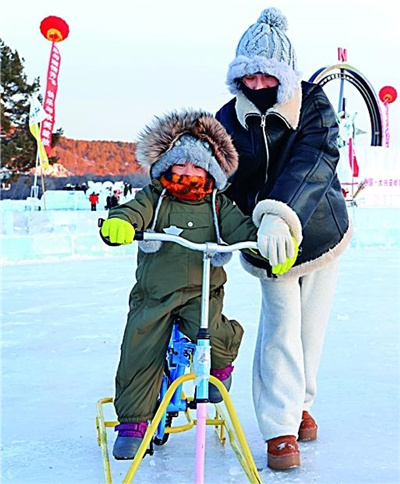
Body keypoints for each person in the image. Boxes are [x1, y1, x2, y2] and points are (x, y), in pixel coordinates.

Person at [216, 7, 352, 470]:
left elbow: (314, 160)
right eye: (247, 75)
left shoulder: (313, 103)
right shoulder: (227, 118)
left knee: (310, 326)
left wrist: (281, 214)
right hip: (264, 239)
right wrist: (225, 223)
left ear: (283, 72)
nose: (256, 84)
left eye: (265, 74)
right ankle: (279, 427)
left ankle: (301, 403)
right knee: (280, 327)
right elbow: (223, 177)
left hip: (317, 229)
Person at [99, 109, 275, 461]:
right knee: (140, 346)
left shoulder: (217, 204)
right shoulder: (155, 197)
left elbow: (241, 230)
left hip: (201, 292)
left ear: (211, 169)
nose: (188, 173)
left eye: (197, 167)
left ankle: (219, 367)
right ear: (166, 165)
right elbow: (132, 212)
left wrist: (266, 244)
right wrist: (120, 224)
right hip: (155, 293)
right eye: (180, 165)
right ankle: (133, 422)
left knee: (211, 332)